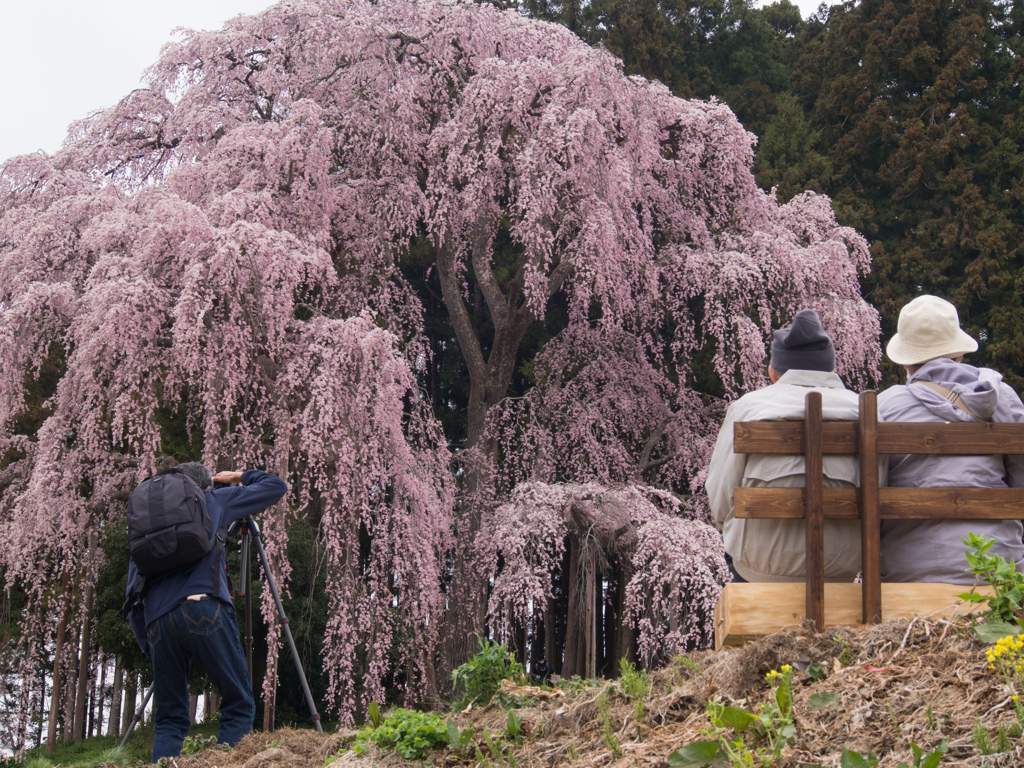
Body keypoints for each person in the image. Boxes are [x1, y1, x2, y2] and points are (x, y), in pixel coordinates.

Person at [126, 463, 287, 761]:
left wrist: (149, 644)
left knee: (170, 719)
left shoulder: (147, 531)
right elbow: (276, 487)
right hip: (203, 605)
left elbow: (131, 594)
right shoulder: (211, 500)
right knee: (238, 703)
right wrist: (239, 477)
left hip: (157, 622)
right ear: (205, 487)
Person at [705, 309, 867, 583]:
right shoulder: (864, 409)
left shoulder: (748, 408)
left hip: (760, 567)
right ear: (830, 367)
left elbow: (719, 500)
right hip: (840, 567)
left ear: (774, 371)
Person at [878, 295, 1024, 583]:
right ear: (959, 353)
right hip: (997, 572)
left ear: (907, 362)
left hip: (908, 571)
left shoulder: (884, 406)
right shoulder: (1002, 399)